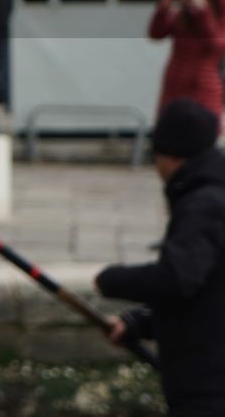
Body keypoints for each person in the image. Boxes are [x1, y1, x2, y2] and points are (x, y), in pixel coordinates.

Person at [95, 98, 225, 416]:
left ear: (170, 156)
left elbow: (176, 278)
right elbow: (207, 290)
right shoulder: (208, 194)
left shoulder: (204, 204)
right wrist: (140, 323)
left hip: (209, 383)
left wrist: (111, 280)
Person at [148, 0, 225, 116]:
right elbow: (156, 33)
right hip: (174, 90)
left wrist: (201, 9)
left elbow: (215, 44)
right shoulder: (181, 18)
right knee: (171, 135)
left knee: (200, 136)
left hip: (202, 93)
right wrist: (163, 7)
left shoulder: (216, 20)